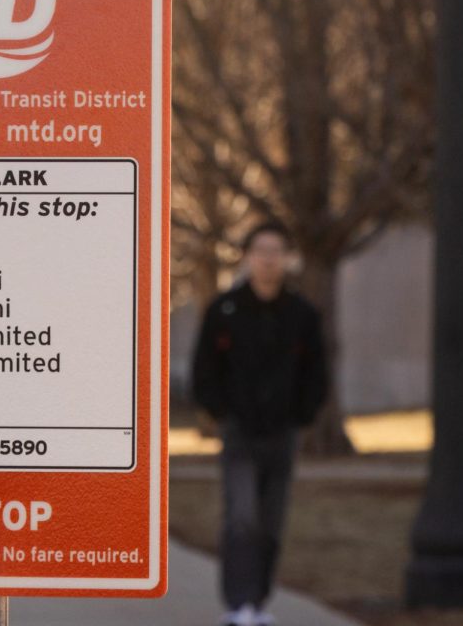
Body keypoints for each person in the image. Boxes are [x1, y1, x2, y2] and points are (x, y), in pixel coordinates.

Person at [191, 221, 328, 626]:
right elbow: (205, 369)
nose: (268, 259)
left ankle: (259, 601)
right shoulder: (224, 310)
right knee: (241, 516)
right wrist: (220, 411)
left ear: (287, 258)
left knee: (270, 521)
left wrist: (303, 415)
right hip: (238, 431)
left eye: (275, 251)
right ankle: (239, 605)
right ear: (247, 257)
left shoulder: (302, 314)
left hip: (282, 432)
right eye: (261, 251)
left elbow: (316, 373)